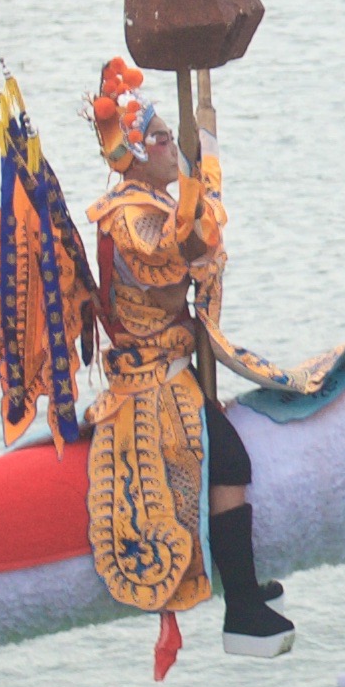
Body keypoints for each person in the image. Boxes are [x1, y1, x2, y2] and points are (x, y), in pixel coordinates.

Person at [84, 65, 298, 652]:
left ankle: (241, 582)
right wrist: (202, 182)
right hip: (152, 382)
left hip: (173, 366)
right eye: (158, 139)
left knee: (229, 454)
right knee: (229, 462)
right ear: (130, 151)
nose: (169, 146)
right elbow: (184, 258)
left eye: (166, 136)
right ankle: (243, 611)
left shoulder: (149, 200)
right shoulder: (131, 215)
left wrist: (199, 179)